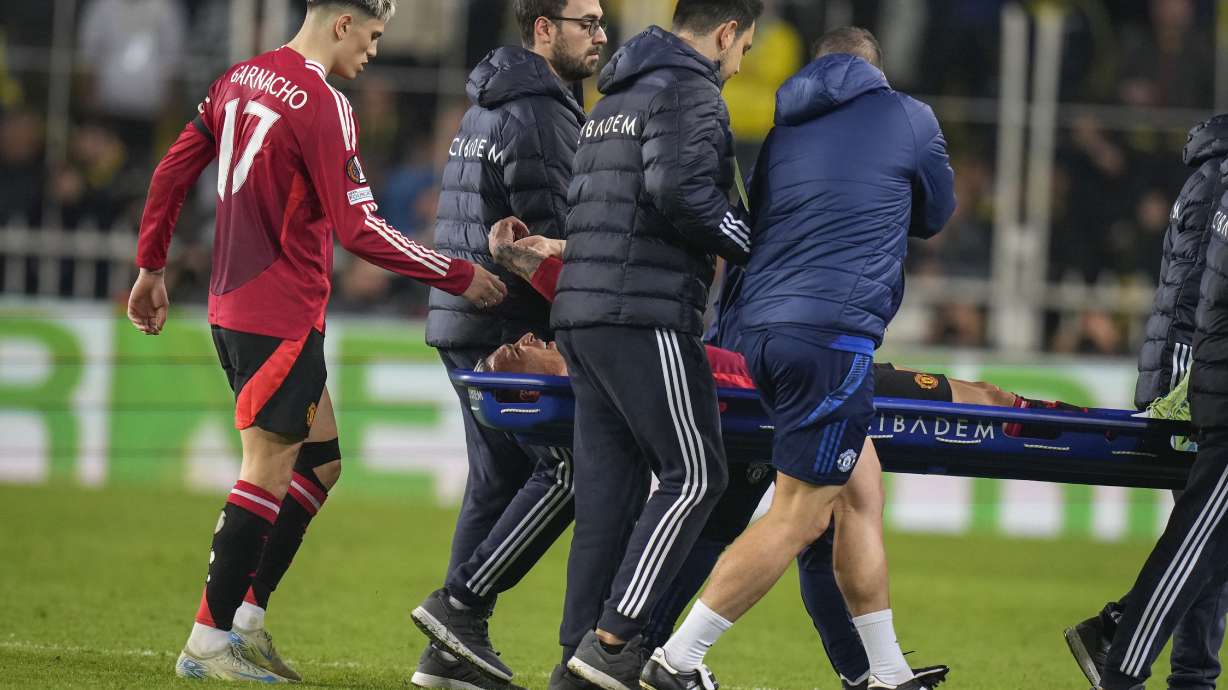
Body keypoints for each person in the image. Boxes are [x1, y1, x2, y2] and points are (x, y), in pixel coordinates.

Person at [126, 0, 505, 681]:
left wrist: (151, 267)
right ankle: (207, 643)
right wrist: (457, 273)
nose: (375, 50)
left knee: (320, 462)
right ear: (342, 23)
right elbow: (359, 229)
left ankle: (243, 620)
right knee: (266, 469)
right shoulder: (323, 103)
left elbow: (171, 172)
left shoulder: (238, 78)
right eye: (374, 34)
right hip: (276, 312)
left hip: (233, 304)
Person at [642, 27, 955, 690]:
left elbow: (759, 221)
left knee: (858, 490)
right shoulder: (909, 117)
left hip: (752, 333)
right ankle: (678, 659)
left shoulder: (784, 128)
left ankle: (886, 673)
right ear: (875, 70)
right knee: (798, 514)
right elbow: (936, 214)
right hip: (829, 338)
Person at [547, 2, 762, 688]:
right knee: (697, 473)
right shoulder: (690, 88)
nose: (739, 64)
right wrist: (745, 244)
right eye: (745, 49)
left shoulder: (617, 94)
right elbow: (679, 189)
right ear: (727, 32)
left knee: (606, 499)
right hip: (640, 310)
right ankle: (613, 641)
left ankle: (573, 668)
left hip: (582, 311)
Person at [408, 1, 606, 688]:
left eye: (603, 19)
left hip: (462, 316)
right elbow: (550, 235)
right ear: (544, 29)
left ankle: (448, 654)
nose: (601, 33)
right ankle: (459, 611)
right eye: (587, 20)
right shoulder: (541, 112)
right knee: (569, 470)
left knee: (495, 483)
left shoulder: (487, 102)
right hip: (507, 324)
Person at [1065, 114, 1228, 690]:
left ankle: (1189, 673)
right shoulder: (1217, 181)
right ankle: (1125, 645)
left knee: (1210, 534)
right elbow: (1196, 296)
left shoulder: (1209, 175)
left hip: (1197, 370)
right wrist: (1181, 386)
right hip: (1201, 376)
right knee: (1202, 533)